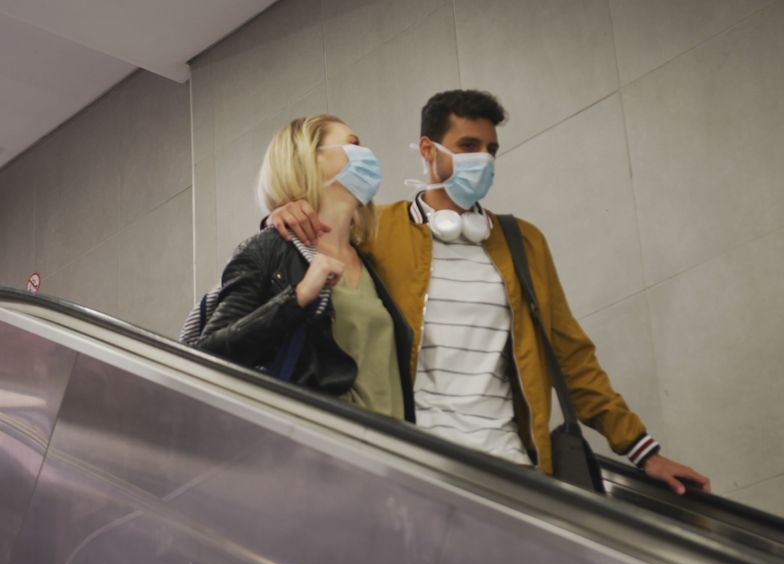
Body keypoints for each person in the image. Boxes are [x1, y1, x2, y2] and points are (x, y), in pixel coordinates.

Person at [269, 92, 710, 494]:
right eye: (468, 146)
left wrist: (642, 450)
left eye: (491, 149)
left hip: (511, 466)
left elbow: (572, 356)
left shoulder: (522, 243)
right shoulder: (377, 231)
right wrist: (283, 214)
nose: (484, 159)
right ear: (428, 150)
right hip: (414, 462)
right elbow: (312, 253)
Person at [198, 115, 414, 422]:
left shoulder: (370, 259)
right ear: (310, 158)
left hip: (395, 452)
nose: (367, 154)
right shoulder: (268, 251)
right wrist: (296, 298)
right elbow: (207, 354)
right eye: (353, 144)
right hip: (323, 451)